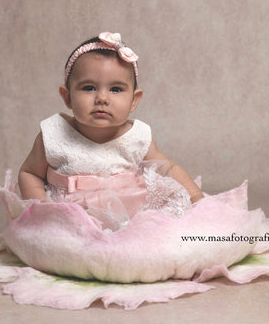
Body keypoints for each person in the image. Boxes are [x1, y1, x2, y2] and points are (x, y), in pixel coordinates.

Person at [17, 32, 204, 230]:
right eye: (89, 88)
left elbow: (169, 169)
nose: (102, 98)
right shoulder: (54, 135)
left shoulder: (137, 137)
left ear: (134, 100)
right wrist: (42, 211)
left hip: (129, 218)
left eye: (116, 89)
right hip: (69, 221)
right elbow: (29, 173)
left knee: (160, 236)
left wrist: (197, 198)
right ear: (68, 97)